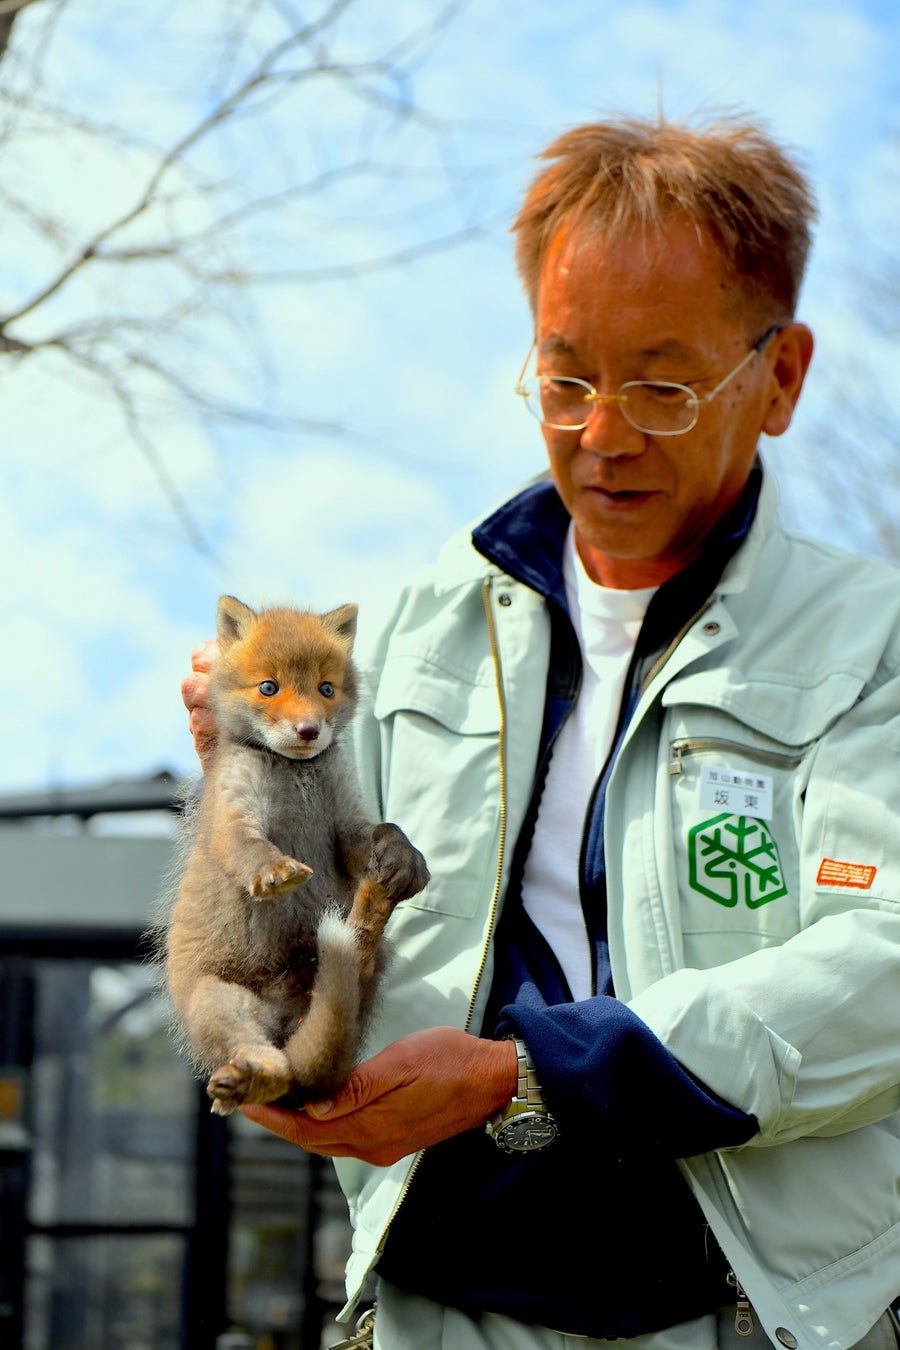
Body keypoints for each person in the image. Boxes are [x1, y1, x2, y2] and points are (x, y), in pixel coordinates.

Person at [182, 114, 900, 1349]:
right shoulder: (400, 633)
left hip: (739, 1316)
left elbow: (880, 966)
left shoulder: (870, 638)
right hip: (433, 1310)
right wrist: (246, 801)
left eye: (662, 386)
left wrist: (535, 1071)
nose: (601, 435)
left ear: (779, 379)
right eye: (565, 379)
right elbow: (320, 918)